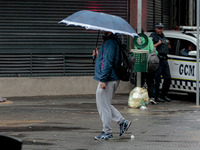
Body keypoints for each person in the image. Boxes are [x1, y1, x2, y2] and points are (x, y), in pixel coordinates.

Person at [93, 31, 131, 140]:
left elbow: (108, 63)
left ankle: (107, 132)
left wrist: (103, 80)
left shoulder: (110, 43)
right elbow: (106, 60)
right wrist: (98, 55)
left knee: (103, 105)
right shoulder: (111, 42)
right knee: (104, 104)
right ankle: (122, 122)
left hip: (109, 79)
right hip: (110, 78)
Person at [150, 23, 172, 103]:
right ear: (156, 28)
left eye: (161, 28)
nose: (160, 30)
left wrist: (168, 43)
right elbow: (150, 47)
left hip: (164, 59)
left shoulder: (163, 36)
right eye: (159, 28)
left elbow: (169, 47)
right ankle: (156, 96)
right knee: (157, 79)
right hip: (157, 59)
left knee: (168, 78)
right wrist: (158, 43)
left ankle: (164, 95)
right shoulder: (153, 36)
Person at [134, 33, 157, 105]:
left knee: (140, 82)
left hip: (140, 64)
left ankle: (140, 97)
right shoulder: (149, 40)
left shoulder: (136, 41)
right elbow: (153, 50)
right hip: (149, 63)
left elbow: (136, 51)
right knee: (150, 82)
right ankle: (151, 98)